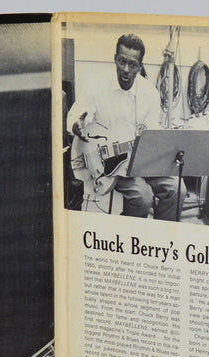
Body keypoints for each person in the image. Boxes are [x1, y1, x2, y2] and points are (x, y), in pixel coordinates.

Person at [66, 33, 180, 219]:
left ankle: (161, 238)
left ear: (140, 66)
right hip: (109, 163)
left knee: (177, 189)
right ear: (114, 59)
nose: (126, 69)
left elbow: (151, 138)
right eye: (121, 61)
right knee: (143, 197)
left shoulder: (150, 94)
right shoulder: (96, 85)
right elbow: (75, 116)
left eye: (133, 65)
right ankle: (128, 235)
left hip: (143, 161)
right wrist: (77, 124)